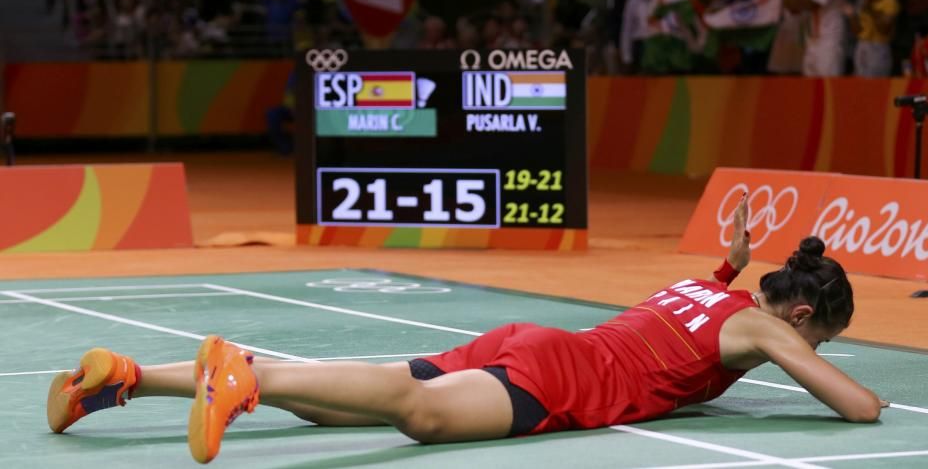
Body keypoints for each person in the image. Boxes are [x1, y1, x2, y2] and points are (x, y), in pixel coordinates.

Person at [47, 196, 885, 465]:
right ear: (803, 315)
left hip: (532, 341)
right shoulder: (772, 331)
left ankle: (123, 376)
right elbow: (856, 409)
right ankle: (243, 376)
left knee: (349, 405)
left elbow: (718, 292)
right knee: (419, 411)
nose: (810, 351)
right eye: (819, 337)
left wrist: (734, 260)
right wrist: (834, 373)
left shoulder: (706, 290)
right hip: (567, 380)